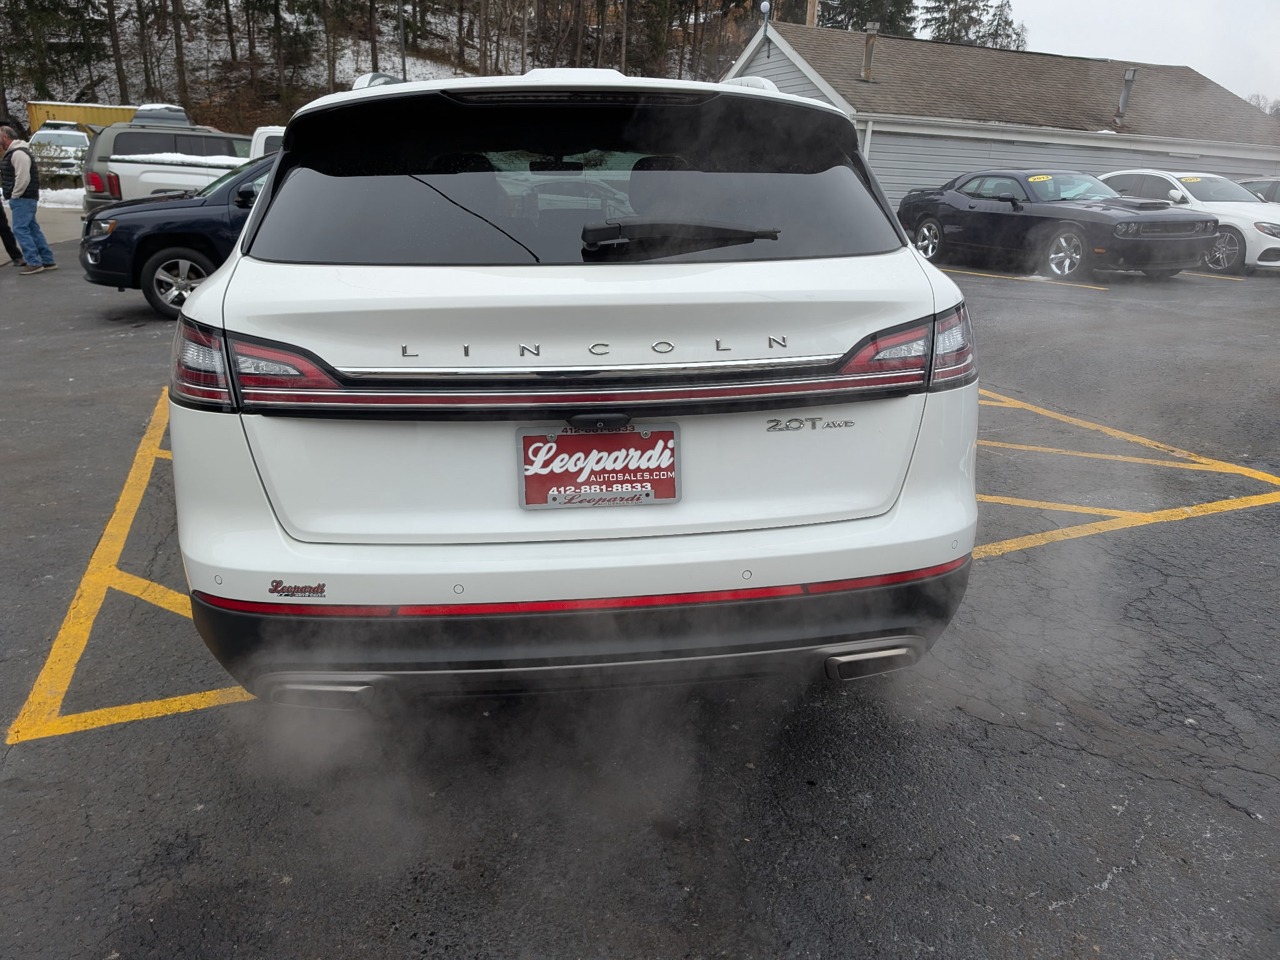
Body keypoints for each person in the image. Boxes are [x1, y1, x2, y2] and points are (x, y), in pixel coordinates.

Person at [0, 125, 57, 275]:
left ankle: (33, 262)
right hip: (26, 197)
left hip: (23, 198)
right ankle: (47, 260)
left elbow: (23, 177)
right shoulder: (16, 152)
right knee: (32, 229)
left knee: (20, 229)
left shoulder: (18, 154)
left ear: (5, 137)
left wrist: (15, 195)